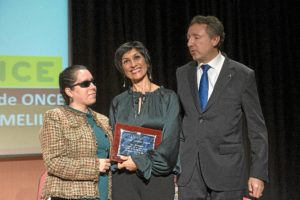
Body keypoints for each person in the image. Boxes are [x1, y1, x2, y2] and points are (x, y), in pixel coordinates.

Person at [176, 15, 268, 200]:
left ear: (215, 39)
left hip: (227, 170)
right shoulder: (182, 73)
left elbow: (256, 128)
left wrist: (258, 173)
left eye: (196, 37)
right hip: (190, 171)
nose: (190, 43)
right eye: (188, 38)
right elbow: (180, 122)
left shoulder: (242, 75)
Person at [109, 41, 181, 200]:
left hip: (156, 177)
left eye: (137, 57)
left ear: (146, 61)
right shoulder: (118, 102)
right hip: (124, 177)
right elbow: (113, 140)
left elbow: (171, 142)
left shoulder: (169, 98)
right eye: (126, 61)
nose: (132, 64)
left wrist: (139, 162)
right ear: (122, 69)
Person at [39, 65, 113, 200]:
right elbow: (54, 162)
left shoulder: (103, 119)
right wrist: (95, 166)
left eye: (93, 82)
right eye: (85, 84)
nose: (93, 87)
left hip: (103, 193)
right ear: (69, 91)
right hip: (69, 195)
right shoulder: (55, 116)